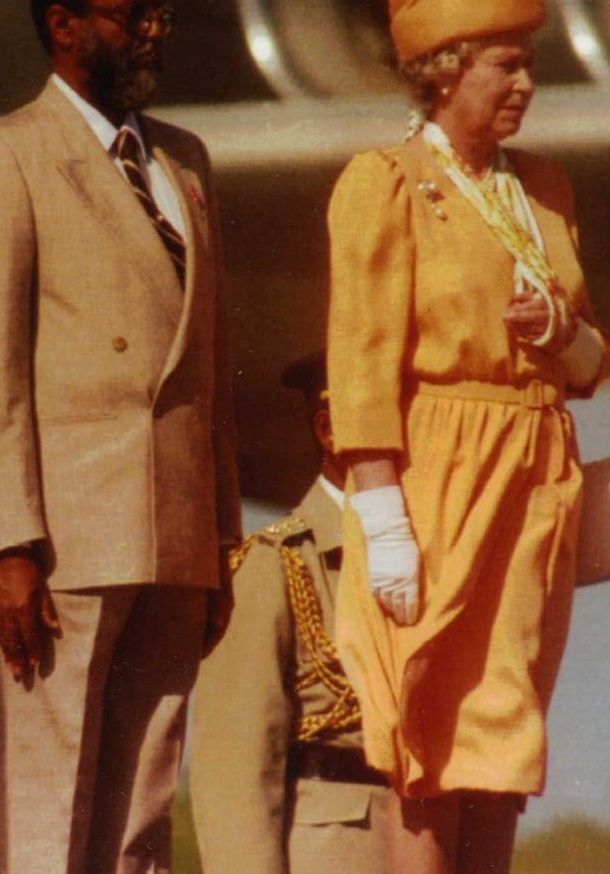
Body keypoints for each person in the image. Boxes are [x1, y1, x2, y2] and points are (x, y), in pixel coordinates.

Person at [0, 0, 241, 873]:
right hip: (66, 541)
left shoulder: (187, 162)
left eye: (161, 13)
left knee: (143, 808)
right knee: (52, 802)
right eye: (133, 14)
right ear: (64, 25)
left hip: (177, 534)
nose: (155, 31)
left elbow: (209, 366)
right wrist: (8, 543)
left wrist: (222, 534)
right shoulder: (6, 155)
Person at [326, 0, 610, 873]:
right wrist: (382, 513)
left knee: (506, 728)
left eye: (528, 61)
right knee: (429, 728)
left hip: (537, 470)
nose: (525, 83)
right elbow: (361, 357)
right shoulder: (385, 181)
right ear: (445, 69)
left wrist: (560, 330)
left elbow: (596, 363)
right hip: (435, 474)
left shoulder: (543, 189)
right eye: (505, 63)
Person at [190, 351, 388, 874]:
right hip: (334, 849)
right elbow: (234, 771)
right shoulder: (271, 566)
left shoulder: (439, 566)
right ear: (329, 430)